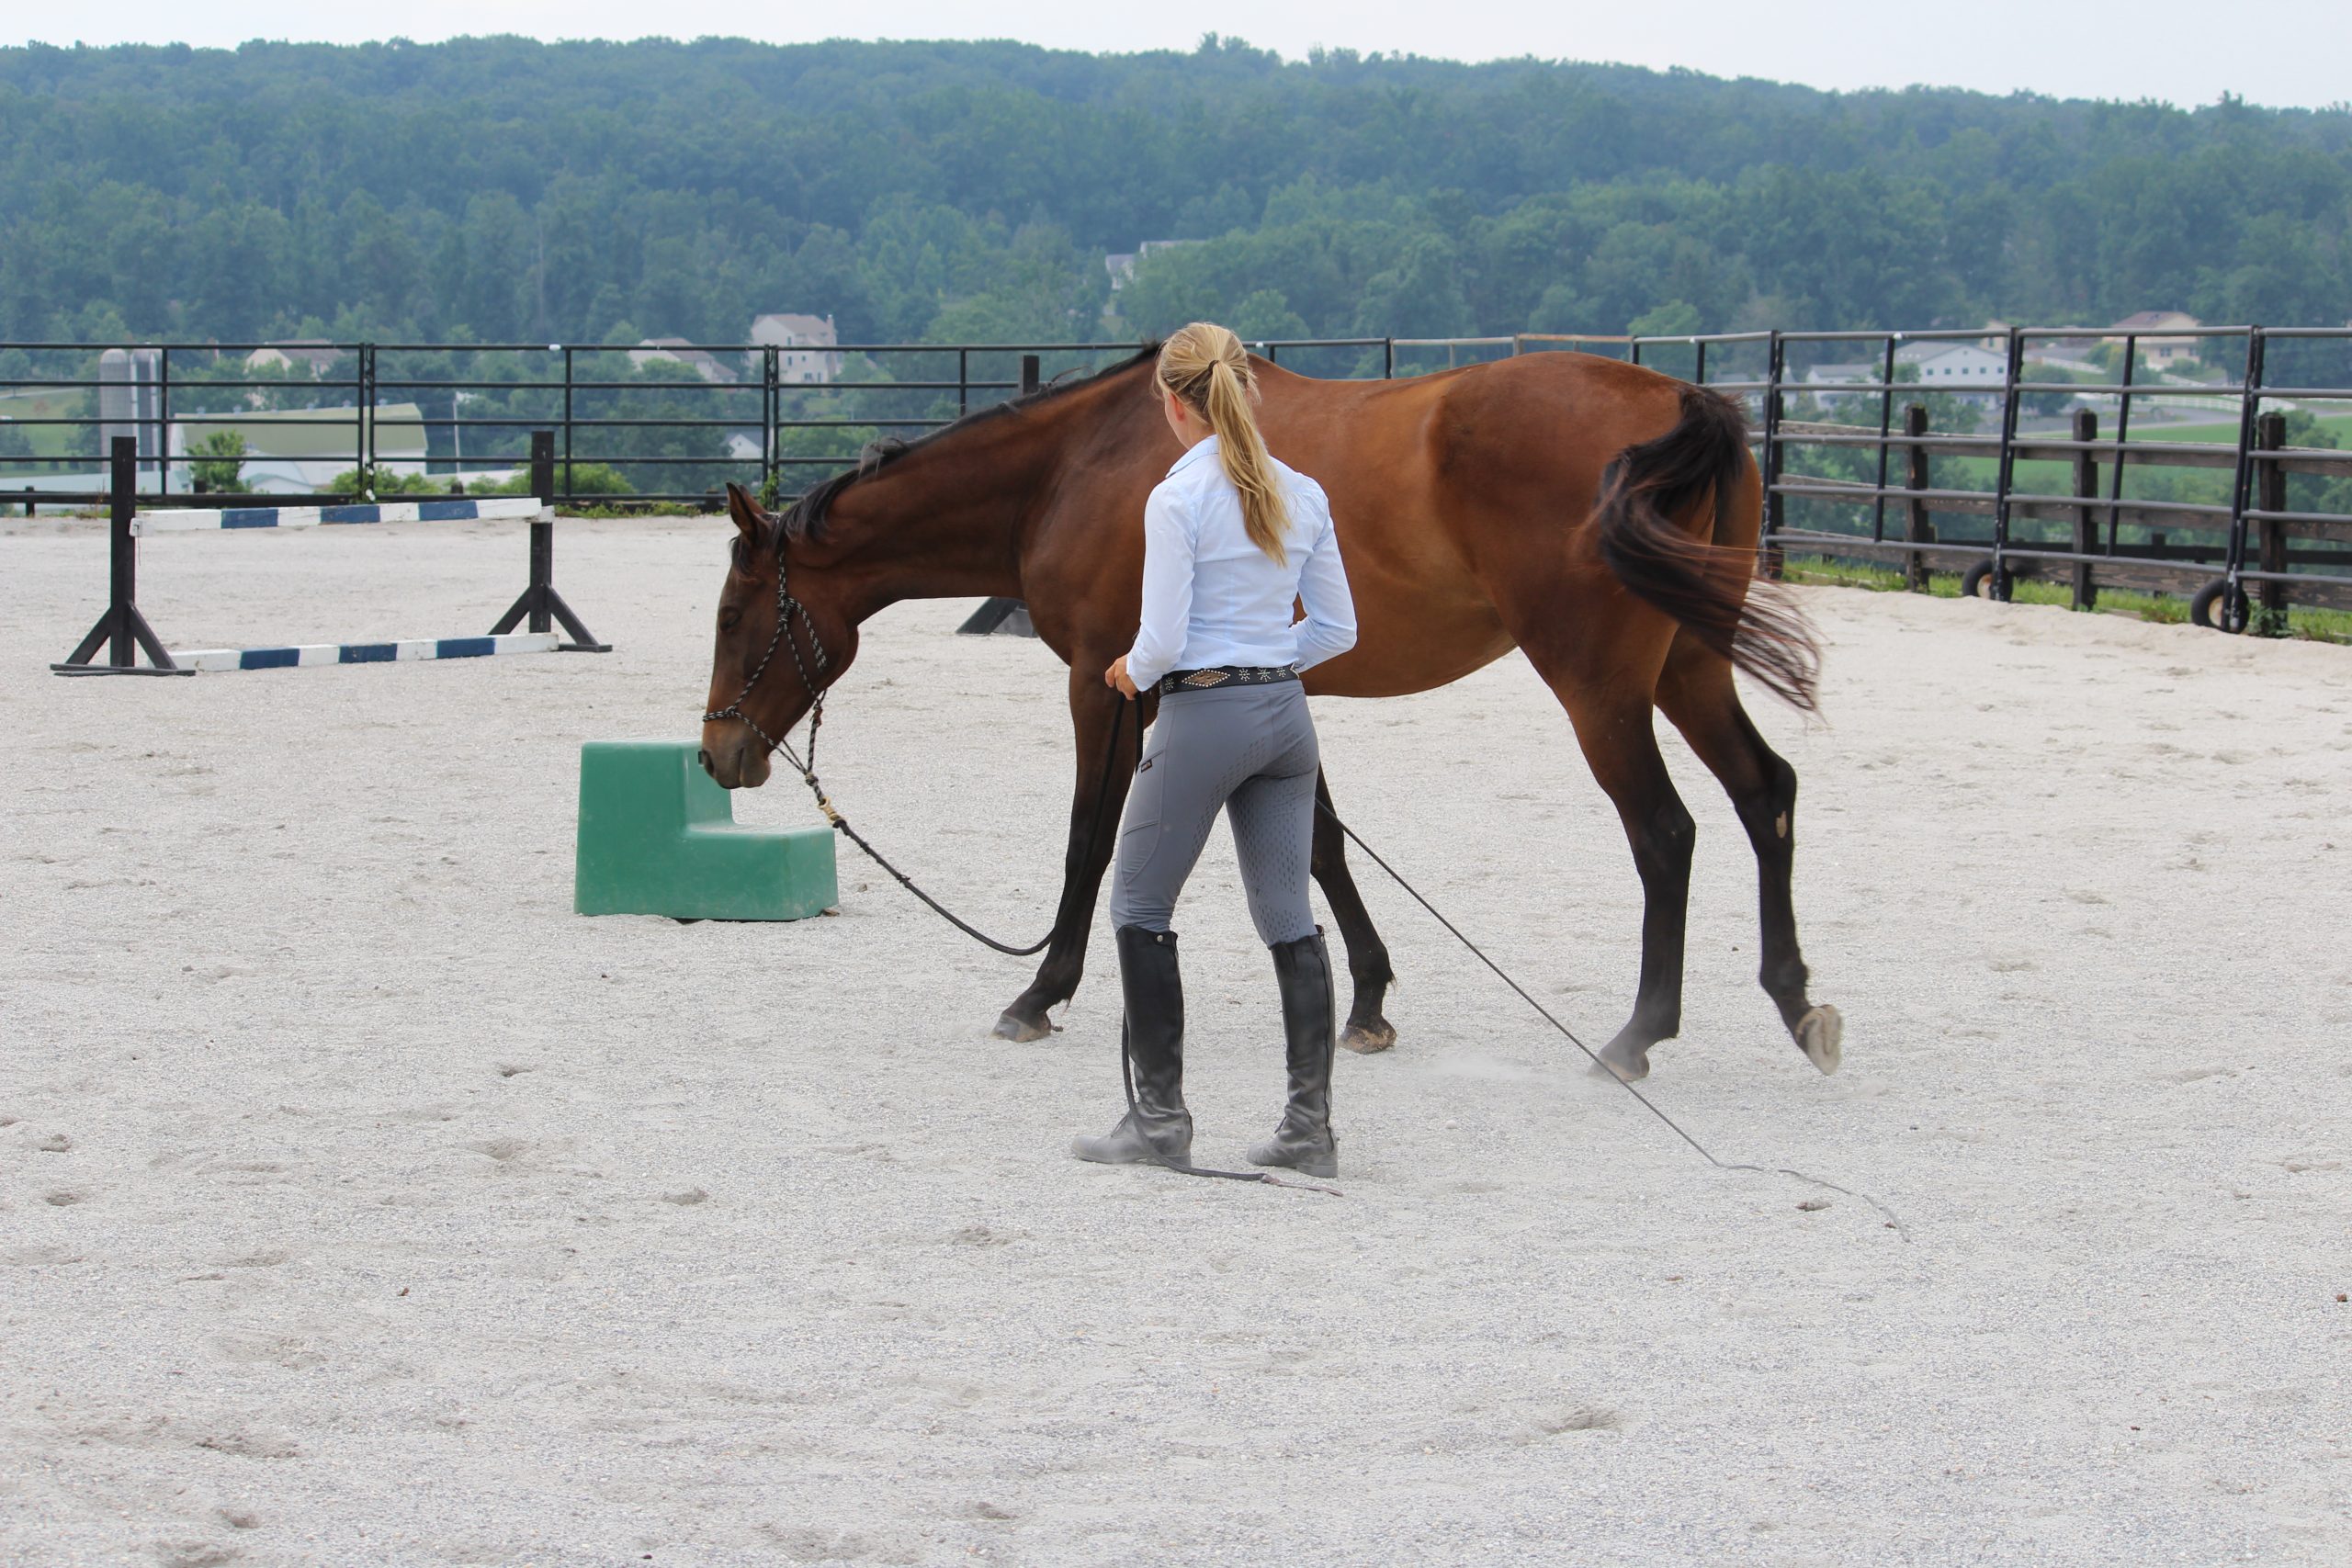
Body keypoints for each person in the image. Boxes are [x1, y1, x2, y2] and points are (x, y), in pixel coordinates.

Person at [1074, 321, 1358, 1179]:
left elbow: (1159, 640)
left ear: (1171, 400)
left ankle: (1160, 1118)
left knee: (1139, 905)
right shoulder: (1301, 492)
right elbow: (1339, 630)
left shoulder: (1177, 498)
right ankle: (1310, 1130)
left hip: (1204, 719)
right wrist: (1269, 664)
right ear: (1247, 390)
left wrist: (1132, 668)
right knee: (1289, 918)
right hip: (1285, 720)